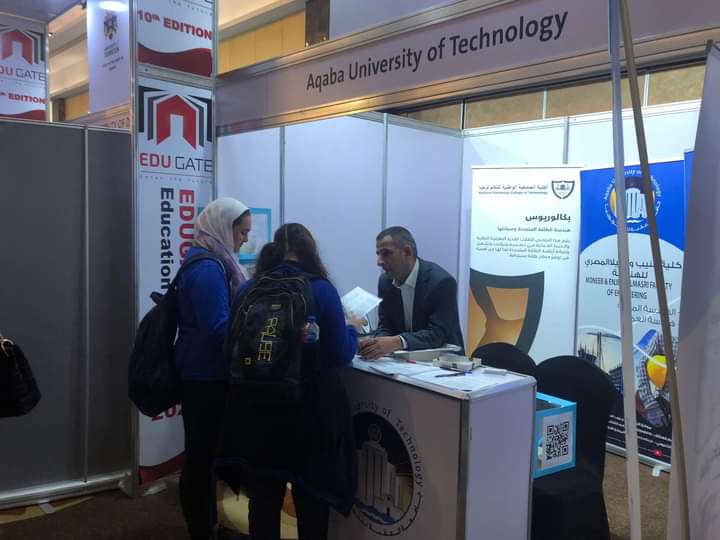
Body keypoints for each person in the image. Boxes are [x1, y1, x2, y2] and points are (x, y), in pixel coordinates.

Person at [230, 224, 361, 540]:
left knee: (263, 498)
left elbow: (229, 348)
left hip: (257, 410)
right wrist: (352, 329)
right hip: (310, 412)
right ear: (310, 249)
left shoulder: (248, 290)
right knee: (312, 500)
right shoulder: (321, 290)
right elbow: (340, 353)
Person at [174, 197, 251, 540]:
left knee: (203, 456)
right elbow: (218, 329)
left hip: (203, 372)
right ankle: (202, 530)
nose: (244, 240)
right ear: (224, 227)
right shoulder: (208, 268)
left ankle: (207, 525)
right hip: (204, 375)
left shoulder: (209, 260)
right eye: (242, 232)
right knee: (201, 458)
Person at [359, 226, 464, 359]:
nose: (379, 261)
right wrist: (375, 344)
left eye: (386, 253)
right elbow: (385, 325)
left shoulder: (441, 282)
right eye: (378, 254)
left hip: (442, 360)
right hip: (403, 360)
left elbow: (437, 334)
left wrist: (397, 341)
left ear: (407, 252)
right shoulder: (385, 282)